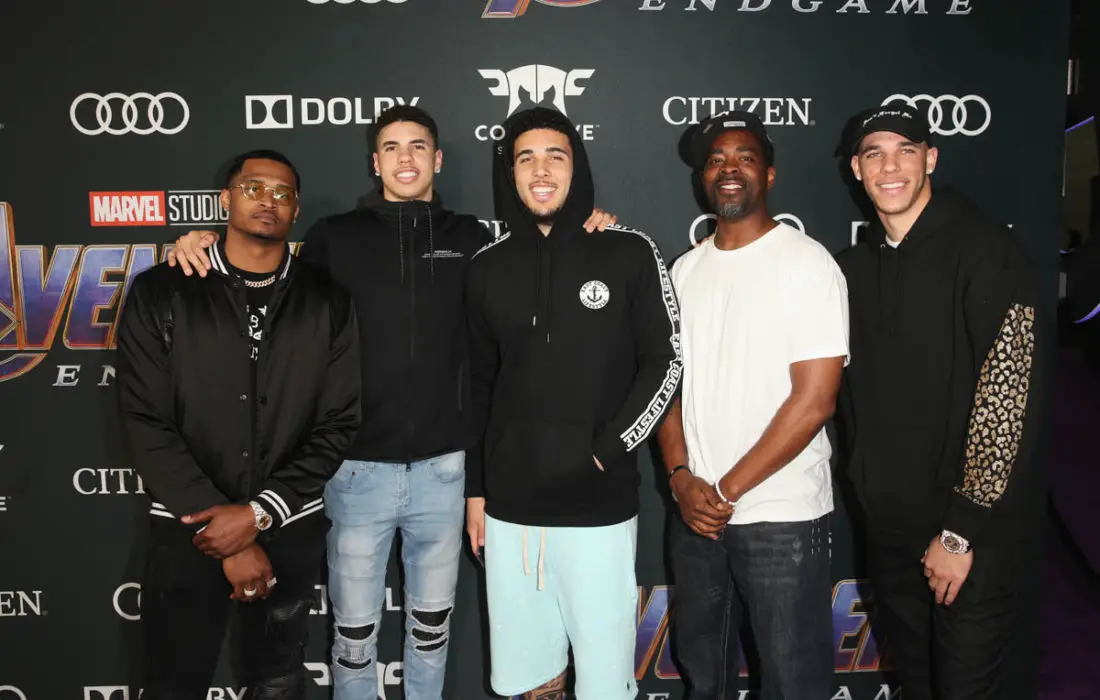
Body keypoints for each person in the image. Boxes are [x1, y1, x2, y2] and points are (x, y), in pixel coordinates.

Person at [166, 105, 617, 700]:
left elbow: (538, 273)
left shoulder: (473, 240)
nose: (406, 158)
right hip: (355, 473)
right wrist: (202, 243)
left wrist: (587, 227)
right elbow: (266, 279)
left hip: (444, 474)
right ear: (374, 162)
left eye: (418, 146)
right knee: (353, 640)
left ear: (438, 159)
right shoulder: (333, 238)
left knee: (432, 634)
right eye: (391, 147)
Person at [116, 149, 361, 699]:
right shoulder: (163, 291)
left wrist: (258, 513)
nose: (267, 201)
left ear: (296, 208)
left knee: (276, 684)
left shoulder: (327, 300)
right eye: (253, 188)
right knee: (172, 685)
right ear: (225, 199)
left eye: (282, 193)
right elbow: (144, 418)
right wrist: (223, 533)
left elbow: (339, 421)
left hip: (288, 525)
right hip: (188, 529)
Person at [463, 106, 683, 700]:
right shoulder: (485, 268)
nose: (541, 170)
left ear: (576, 167)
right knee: (529, 682)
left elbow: (665, 363)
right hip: (510, 514)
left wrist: (607, 450)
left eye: (554, 156)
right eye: (525, 158)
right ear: (510, 173)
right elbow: (478, 387)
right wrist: (477, 491)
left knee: (605, 683)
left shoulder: (628, 251)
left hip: (597, 509)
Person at [836, 104, 1042, 700]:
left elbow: (1007, 398)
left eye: (905, 150)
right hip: (889, 532)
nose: (890, 167)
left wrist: (960, 532)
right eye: (875, 153)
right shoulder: (850, 269)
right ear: (856, 168)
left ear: (930, 158)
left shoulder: (987, 250)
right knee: (919, 686)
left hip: (968, 537)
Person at [656, 112, 849, 700]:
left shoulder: (806, 263)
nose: (729, 168)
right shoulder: (684, 270)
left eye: (744, 156)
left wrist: (725, 489)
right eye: (716, 159)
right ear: (702, 178)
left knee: (794, 684)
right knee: (703, 678)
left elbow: (815, 400)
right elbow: (667, 388)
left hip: (781, 516)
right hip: (696, 518)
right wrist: (681, 478)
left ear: (769, 174)